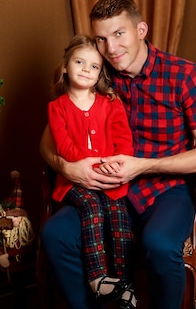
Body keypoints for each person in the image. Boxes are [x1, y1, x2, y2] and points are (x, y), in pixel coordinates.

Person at [40, 0, 196, 309]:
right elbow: (47, 140)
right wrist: (69, 169)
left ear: (141, 30)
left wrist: (141, 166)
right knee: (56, 233)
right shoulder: (96, 72)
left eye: (119, 34)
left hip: (164, 190)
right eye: (101, 38)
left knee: (159, 243)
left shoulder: (186, 76)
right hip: (103, 192)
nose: (111, 48)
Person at [47, 35, 137, 308]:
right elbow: (65, 148)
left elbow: (124, 139)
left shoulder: (111, 102)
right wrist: (94, 163)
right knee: (92, 208)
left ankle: (122, 286)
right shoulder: (57, 107)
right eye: (79, 62)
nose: (86, 69)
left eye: (94, 66)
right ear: (65, 66)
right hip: (75, 182)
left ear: (100, 73)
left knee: (119, 220)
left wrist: (118, 161)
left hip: (110, 177)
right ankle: (98, 279)